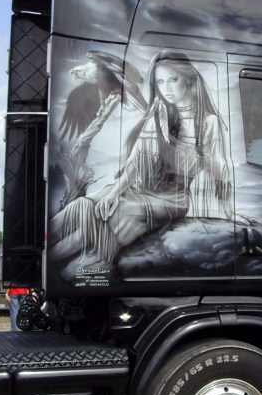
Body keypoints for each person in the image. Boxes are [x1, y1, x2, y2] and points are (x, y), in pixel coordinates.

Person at [49, 52, 236, 276]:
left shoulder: (208, 123)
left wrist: (230, 212)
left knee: (114, 211)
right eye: (160, 82)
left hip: (172, 198)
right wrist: (113, 191)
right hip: (141, 188)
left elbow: (220, 170)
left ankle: (60, 265)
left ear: (188, 78)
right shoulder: (159, 114)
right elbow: (136, 161)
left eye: (173, 80)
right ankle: (42, 261)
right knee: (87, 204)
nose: (166, 89)